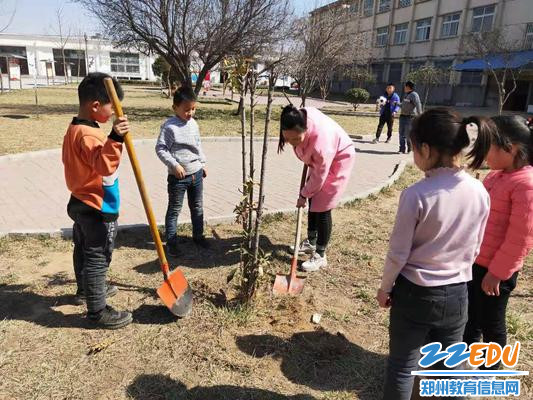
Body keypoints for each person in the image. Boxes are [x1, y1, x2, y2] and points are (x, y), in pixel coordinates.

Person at [377, 108, 492, 399]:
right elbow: (476, 246)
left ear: (426, 149)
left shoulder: (416, 195)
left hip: (415, 293)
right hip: (457, 294)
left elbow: (398, 253)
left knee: (403, 367)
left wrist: (385, 287)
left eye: (414, 148)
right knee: (448, 367)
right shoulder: (480, 191)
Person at [62, 72, 132, 329]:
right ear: (95, 106)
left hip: (79, 200)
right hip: (96, 205)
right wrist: (115, 138)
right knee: (97, 256)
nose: (114, 112)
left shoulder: (75, 128)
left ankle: (87, 290)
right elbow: (103, 165)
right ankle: (97, 311)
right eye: (112, 107)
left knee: (82, 249)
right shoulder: (90, 135)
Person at [463, 116, 533, 370]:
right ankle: (465, 363)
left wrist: (497, 273)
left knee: (491, 322)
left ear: (510, 148)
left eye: (488, 147)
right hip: (475, 262)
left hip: (496, 271)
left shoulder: (526, 185)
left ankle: (489, 370)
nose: (483, 154)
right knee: (469, 317)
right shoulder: (496, 175)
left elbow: (520, 238)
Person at [278, 105, 356, 272]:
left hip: (339, 157)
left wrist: (303, 194)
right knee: (314, 199)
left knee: (322, 206)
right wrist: (307, 194)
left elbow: (319, 177)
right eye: (288, 139)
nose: (292, 143)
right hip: (320, 160)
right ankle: (310, 242)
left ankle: (321, 254)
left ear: (305, 130)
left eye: (296, 140)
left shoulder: (322, 144)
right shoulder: (298, 116)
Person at [156, 86, 209, 257]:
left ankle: (198, 236)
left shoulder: (194, 124)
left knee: (197, 206)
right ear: (175, 108)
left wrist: (202, 163)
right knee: (174, 209)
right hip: (178, 178)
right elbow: (161, 149)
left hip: (197, 174)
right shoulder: (169, 127)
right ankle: (172, 243)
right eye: (186, 110)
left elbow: (198, 145)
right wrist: (174, 165)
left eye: (193, 109)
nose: (190, 113)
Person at [398, 81, 422, 154]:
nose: (404, 88)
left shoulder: (414, 95)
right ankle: (402, 149)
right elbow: (404, 105)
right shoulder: (406, 95)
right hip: (402, 116)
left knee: (408, 134)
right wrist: (397, 104)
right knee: (401, 133)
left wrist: (420, 115)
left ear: (408, 87)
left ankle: (410, 148)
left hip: (410, 117)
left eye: (405, 86)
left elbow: (418, 104)